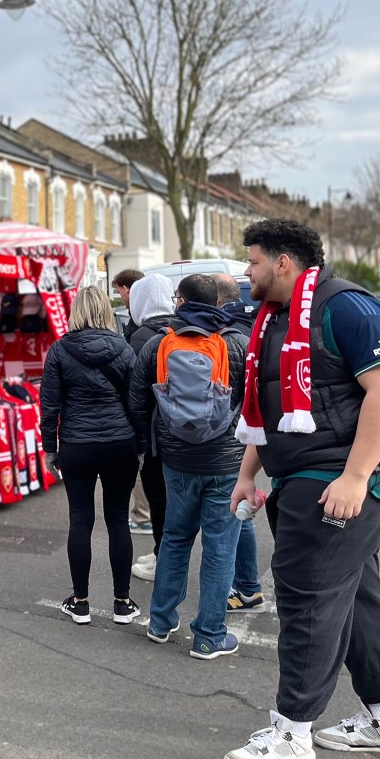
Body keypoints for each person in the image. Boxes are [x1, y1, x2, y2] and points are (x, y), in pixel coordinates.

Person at [225, 220, 380, 759]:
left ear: (284, 262)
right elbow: (271, 406)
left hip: (342, 480)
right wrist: (247, 474)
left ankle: (291, 737)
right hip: (307, 477)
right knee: (357, 598)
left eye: (254, 261)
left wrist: (355, 477)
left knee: (307, 598)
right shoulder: (273, 319)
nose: (246, 271)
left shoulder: (346, 307)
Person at [129, 274, 248, 659]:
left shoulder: (158, 344)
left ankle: (160, 622)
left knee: (176, 538)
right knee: (219, 547)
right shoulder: (236, 345)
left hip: (176, 460)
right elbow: (254, 402)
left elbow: (137, 402)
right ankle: (210, 635)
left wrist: (150, 443)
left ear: (179, 301)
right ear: (219, 303)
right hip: (226, 462)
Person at [39, 285, 141, 626]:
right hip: (119, 443)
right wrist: (139, 445)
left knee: (80, 520)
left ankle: (80, 602)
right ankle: (122, 602)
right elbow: (136, 403)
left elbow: (49, 406)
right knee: (117, 519)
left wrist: (49, 450)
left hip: (77, 444)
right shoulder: (124, 349)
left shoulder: (59, 351)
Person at [216, 274, 267, 613]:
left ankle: (245, 586)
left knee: (232, 511)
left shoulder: (221, 337)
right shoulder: (255, 329)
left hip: (223, 440)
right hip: (244, 434)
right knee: (240, 510)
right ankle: (249, 586)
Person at [126, 274, 178, 581]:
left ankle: (163, 557)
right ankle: (168, 553)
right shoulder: (184, 326)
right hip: (192, 431)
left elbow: (135, 393)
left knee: (159, 499)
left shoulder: (140, 337)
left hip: (156, 434)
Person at [111, 268, 144, 344]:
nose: (121, 298)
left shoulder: (139, 321)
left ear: (126, 289)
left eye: (119, 292)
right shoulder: (141, 315)